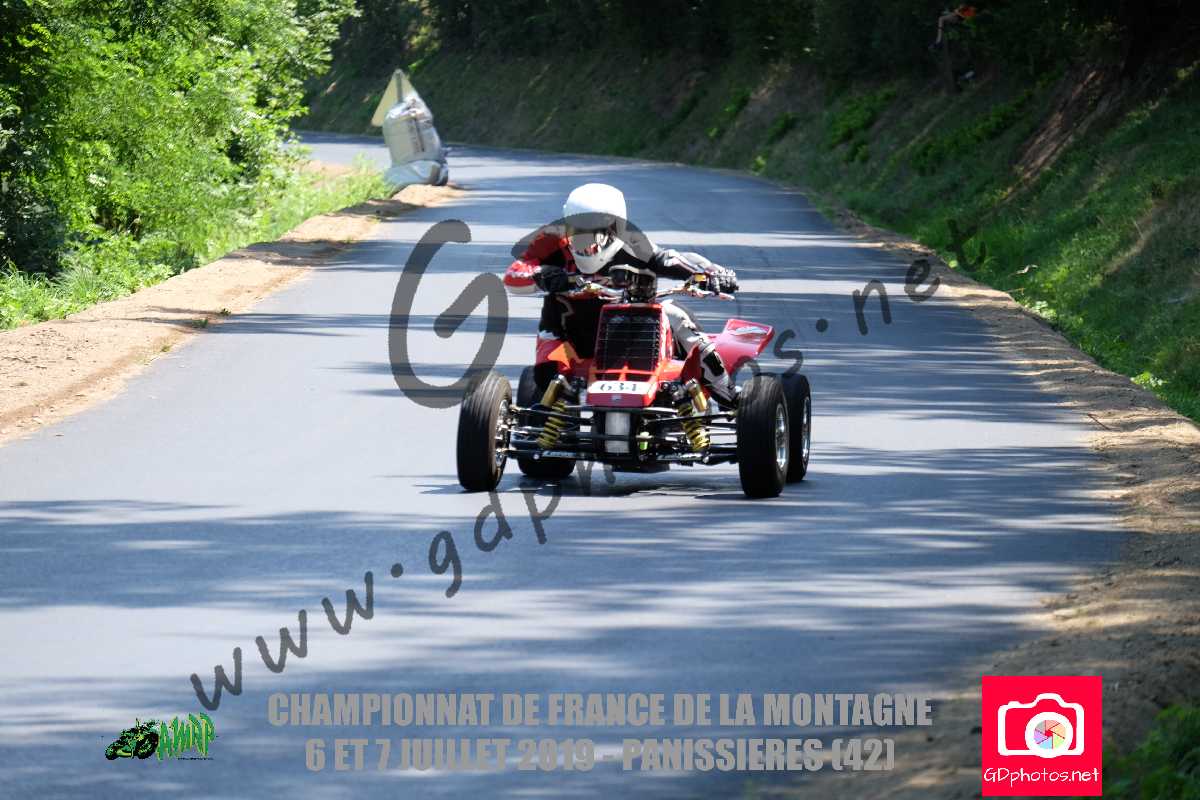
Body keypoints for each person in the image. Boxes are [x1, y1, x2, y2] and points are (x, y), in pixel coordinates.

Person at [504, 183, 742, 408]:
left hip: (634, 334)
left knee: (675, 313)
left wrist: (712, 273)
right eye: (578, 228)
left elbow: (669, 259)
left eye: (596, 230)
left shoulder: (634, 242)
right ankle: (553, 421)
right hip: (566, 335)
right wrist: (542, 275)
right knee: (546, 379)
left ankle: (729, 394)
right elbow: (514, 273)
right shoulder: (549, 240)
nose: (586, 241)